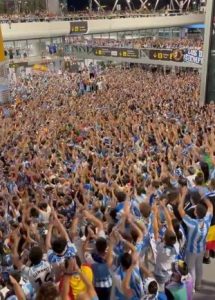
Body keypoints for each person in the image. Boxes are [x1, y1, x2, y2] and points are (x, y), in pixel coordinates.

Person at [178, 187, 213, 290]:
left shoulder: (192, 224)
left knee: (191, 268)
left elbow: (180, 209)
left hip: (191, 250)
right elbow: (210, 206)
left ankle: (191, 288)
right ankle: (198, 285)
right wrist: (204, 196)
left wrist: (183, 194)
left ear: (195, 213)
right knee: (199, 266)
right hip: (202, 248)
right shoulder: (207, 220)